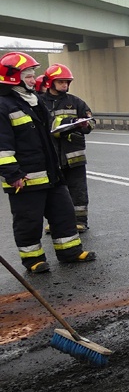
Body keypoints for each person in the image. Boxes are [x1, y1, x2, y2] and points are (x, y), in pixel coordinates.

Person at [0, 52, 96, 273]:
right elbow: (2, 146)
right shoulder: (4, 105)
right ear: (14, 77)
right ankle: (33, 261)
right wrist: (13, 174)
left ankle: (70, 252)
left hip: (52, 173)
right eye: (30, 76)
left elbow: (52, 124)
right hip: (25, 179)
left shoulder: (33, 101)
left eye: (34, 76)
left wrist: (73, 123)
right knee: (28, 222)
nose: (35, 80)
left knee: (63, 214)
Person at [41, 64, 94, 232]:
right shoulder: (39, 102)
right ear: (51, 82)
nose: (65, 85)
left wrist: (85, 125)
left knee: (78, 190)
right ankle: (56, 221)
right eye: (61, 81)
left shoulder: (76, 102)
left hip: (74, 155)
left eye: (67, 82)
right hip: (51, 156)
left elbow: (91, 121)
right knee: (54, 192)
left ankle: (80, 221)